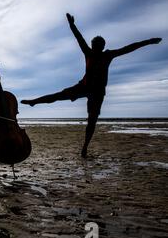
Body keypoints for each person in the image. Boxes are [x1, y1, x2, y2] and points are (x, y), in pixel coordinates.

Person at [21, 13, 162, 157]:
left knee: (92, 120)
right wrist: (72, 25)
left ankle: (84, 148)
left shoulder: (108, 55)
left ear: (102, 46)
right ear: (93, 45)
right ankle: (34, 102)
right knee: (59, 95)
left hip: (98, 92)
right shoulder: (88, 52)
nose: (95, 47)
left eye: (98, 45)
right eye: (94, 45)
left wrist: (149, 41)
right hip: (84, 86)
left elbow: (129, 48)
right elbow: (79, 38)